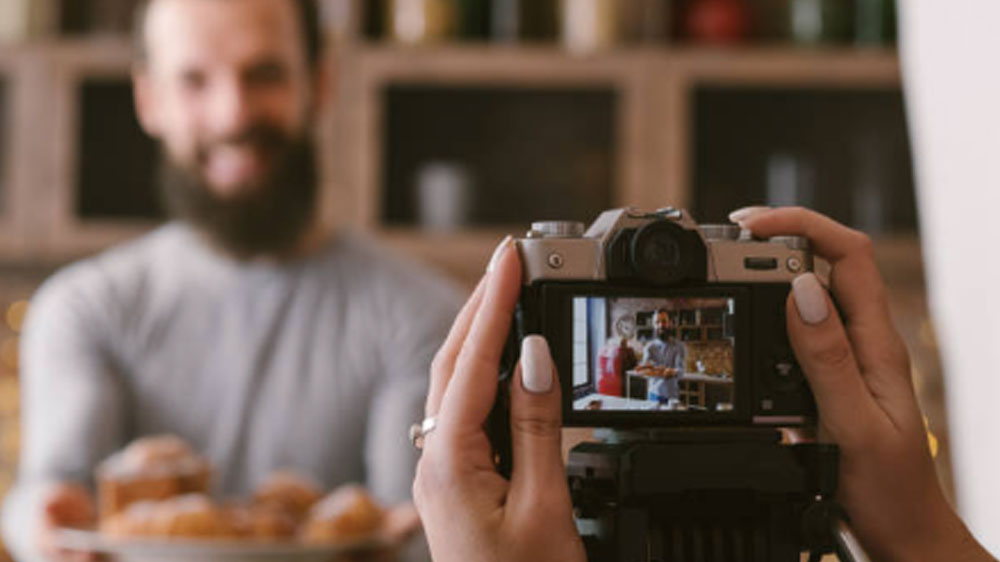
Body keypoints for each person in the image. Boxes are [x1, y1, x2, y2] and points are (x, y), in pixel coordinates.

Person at [0, 1, 460, 560]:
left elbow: (412, 528)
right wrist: (41, 521)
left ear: (320, 83)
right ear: (149, 99)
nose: (232, 115)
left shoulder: (423, 317)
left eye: (264, 75)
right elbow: (54, 486)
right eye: (194, 80)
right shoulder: (83, 309)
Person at [413, 207, 997, 562]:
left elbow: (674, 370)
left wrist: (923, 541)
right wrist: (925, 543)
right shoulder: (636, 350)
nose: (659, 320)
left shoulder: (661, 348)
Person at [641, 309, 686, 406]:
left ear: (669, 323)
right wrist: (647, 369)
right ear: (653, 325)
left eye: (664, 321)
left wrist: (673, 372)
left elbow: (681, 372)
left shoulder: (679, 346)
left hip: (672, 397)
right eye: (657, 322)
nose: (661, 325)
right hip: (654, 395)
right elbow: (645, 373)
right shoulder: (649, 348)